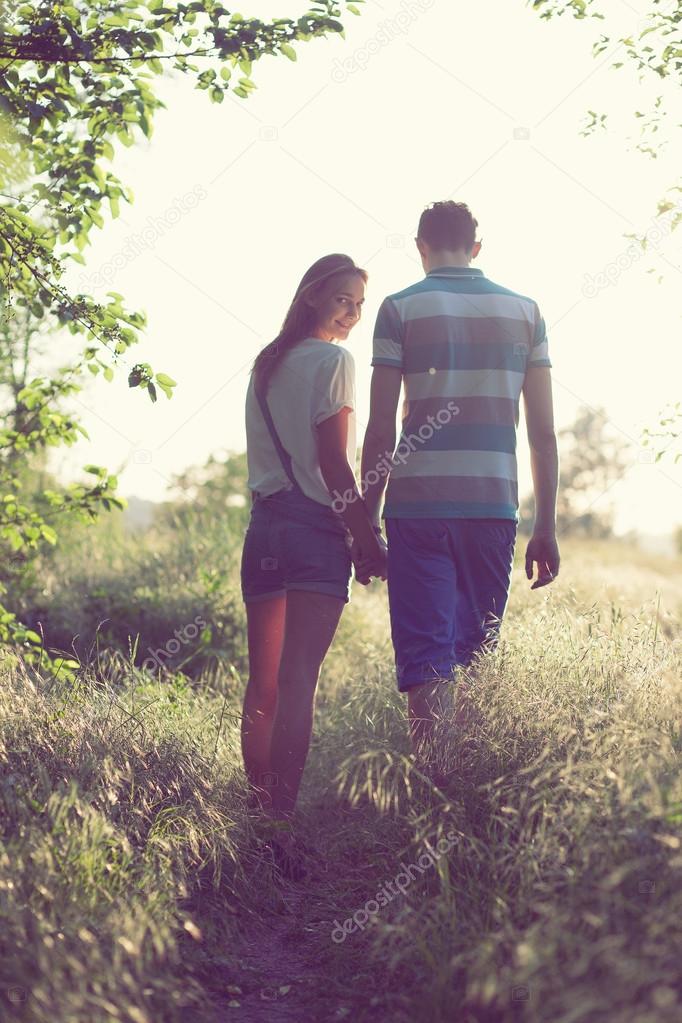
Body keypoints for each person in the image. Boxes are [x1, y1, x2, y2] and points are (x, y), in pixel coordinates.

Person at [359, 201, 560, 770]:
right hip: (494, 507)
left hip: (416, 508)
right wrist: (545, 527)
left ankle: (433, 784)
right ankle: (467, 787)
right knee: (476, 654)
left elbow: (378, 429)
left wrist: (366, 520)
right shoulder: (526, 312)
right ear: (477, 248)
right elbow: (543, 435)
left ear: (420, 247)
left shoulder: (400, 309)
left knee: (428, 654)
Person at [240, 253, 387, 865]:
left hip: (264, 528)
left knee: (264, 682)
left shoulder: (266, 364)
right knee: (299, 680)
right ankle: (280, 825)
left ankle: (255, 813)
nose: (352, 312)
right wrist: (365, 536)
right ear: (311, 299)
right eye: (342, 300)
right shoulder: (335, 361)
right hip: (311, 531)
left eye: (358, 302)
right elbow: (333, 466)